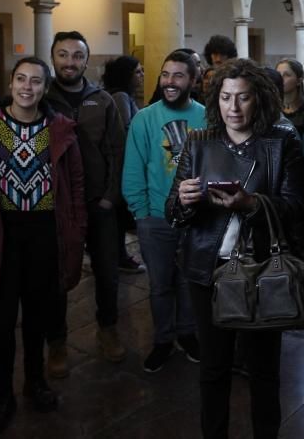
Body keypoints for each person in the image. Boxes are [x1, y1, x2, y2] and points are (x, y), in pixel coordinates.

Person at [166, 59, 304, 439]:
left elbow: (298, 210)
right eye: (225, 97)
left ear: (259, 100)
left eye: (243, 98)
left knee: (264, 371)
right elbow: (172, 213)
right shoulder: (198, 143)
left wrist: (250, 205)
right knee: (213, 368)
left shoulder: (281, 143)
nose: (233, 108)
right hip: (207, 271)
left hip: (262, 271)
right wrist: (182, 201)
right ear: (215, 100)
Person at [0, 57, 87, 438]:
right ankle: (1, 397)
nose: (28, 87)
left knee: (37, 319)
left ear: (46, 88)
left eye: (36, 81)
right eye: (21, 79)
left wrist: (75, 229)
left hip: (44, 234)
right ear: (10, 83)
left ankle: (34, 383)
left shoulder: (59, 128)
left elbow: (75, 184)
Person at [46, 31, 127, 372]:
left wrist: (110, 198)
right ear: (53, 58)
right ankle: (57, 342)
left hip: (98, 202)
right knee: (56, 274)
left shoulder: (102, 101)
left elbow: (116, 151)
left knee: (107, 272)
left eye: (77, 56)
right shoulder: (42, 98)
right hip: (56, 205)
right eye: (63, 55)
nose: (70, 62)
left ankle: (107, 329)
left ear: (86, 60)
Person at [123, 50, 205, 372]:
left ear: (193, 80)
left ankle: (187, 334)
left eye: (178, 75)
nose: (170, 82)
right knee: (160, 284)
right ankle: (162, 338)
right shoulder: (144, 119)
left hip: (197, 218)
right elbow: (133, 170)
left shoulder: (208, 116)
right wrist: (142, 213)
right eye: (165, 75)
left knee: (189, 281)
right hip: (156, 218)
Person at [101, 55, 147, 272]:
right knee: (120, 215)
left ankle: (118, 255)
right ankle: (119, 256)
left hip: (124, 162)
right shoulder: (120, 97)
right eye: (138, 71)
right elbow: (125, 131)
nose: (142, 75)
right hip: (123, 163)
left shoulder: (122, 95)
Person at [276, 58, 304, 136]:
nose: (280, 79)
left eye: (286, 75)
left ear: (299, 80)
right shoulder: (271, 110)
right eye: (278, 74)